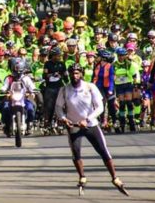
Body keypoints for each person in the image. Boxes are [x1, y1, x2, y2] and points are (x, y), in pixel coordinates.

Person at [55, 64, 129, 196]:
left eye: (77, 73)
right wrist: (63, 118)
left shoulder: (90, 87)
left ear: (81, 74)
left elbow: (100, 107)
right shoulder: (65, 90)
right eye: (72, 73)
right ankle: (82, 176)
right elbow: (59, 107)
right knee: (75, 153)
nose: (74, 76)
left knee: (103, 151)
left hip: (91, 125)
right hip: (74, 126)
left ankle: (115, 178)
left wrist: (87, 119)